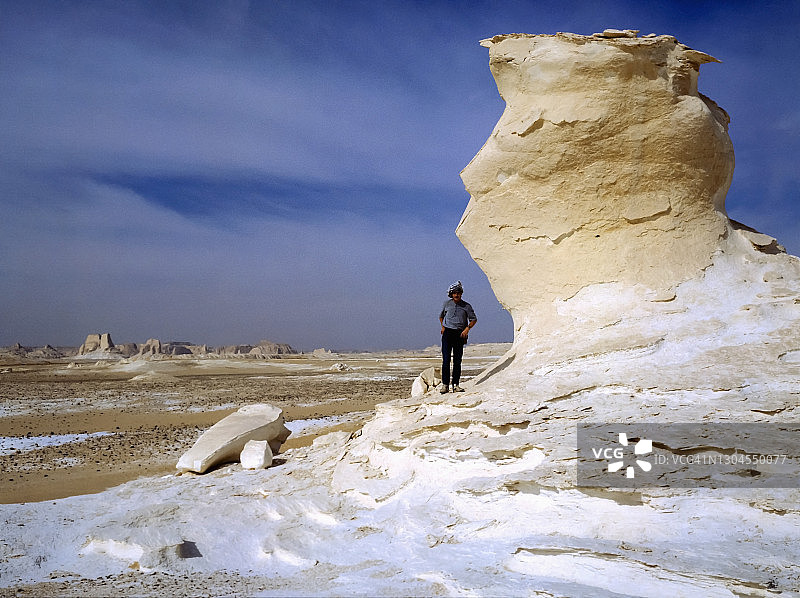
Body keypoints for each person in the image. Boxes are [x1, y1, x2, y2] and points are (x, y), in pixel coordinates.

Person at [439, 280, 477, 393]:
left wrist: (467, 329)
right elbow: (441, 316)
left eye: (458, 292)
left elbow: (474, 319)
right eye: (454, 293)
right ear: (451, 294)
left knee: (457, 361)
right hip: (447, 333)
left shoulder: (466, 306)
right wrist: (443, 327)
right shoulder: (446, 304)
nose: (456, 295)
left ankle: (456, 385)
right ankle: (445, 385)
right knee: (446, 360)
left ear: (461, 293)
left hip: (460, 334)